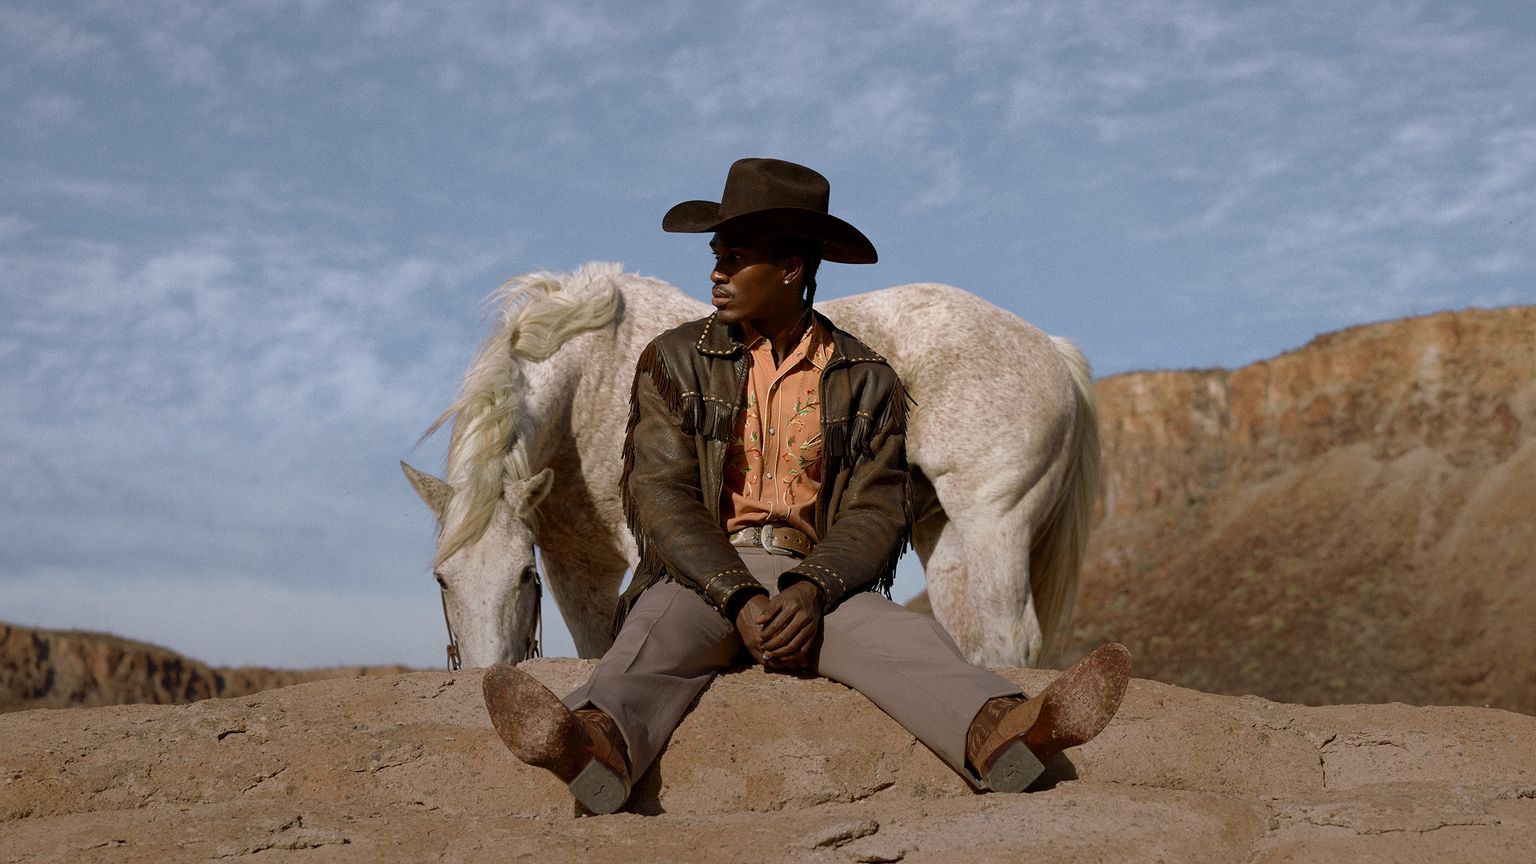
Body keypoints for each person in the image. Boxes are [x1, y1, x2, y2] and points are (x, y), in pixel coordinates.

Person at [481, 157, 1131, 815]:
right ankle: (593, 744)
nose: (715, 272)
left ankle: (1004, 732)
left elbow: (879, 508)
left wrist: (815, 590)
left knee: (903, 641)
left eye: (735, 257)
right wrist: (735, 596)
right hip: (702, 573)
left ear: (790, 268)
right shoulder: (673, 361)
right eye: (716, 254)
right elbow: (659, 493)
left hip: (815, 577)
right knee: (651, 641)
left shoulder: (866, 377)